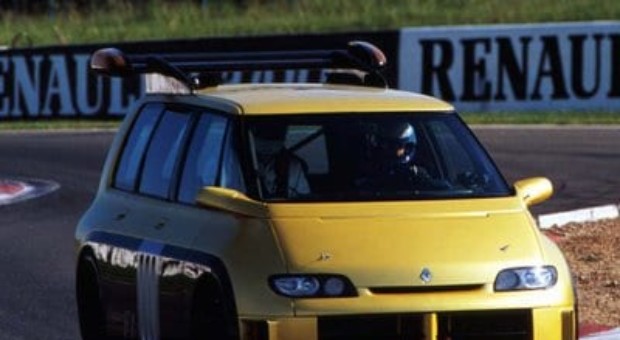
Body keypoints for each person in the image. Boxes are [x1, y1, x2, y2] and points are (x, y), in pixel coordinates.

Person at [355, 120, 436, 192]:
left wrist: (423, 180)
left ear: (408, 147)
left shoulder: (418, 176)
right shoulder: (366, 176)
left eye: (396, 145)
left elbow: (440, 188)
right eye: (384, 144)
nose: (390, 150)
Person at [252, 125, 310, 199]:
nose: (267, 148)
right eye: (264, 136)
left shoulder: (294, 166)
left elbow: (304, 198)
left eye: (274, 137)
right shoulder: (239, 164)